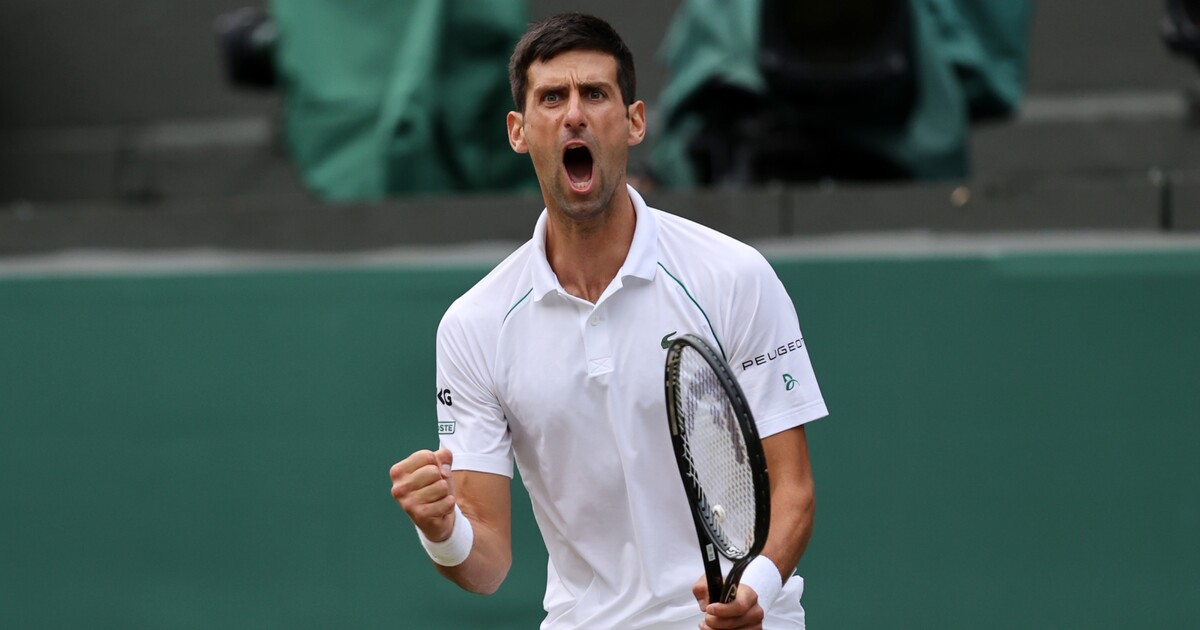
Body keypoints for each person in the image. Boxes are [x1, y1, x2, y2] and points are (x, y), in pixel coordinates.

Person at [389, 13, 828, 630]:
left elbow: (794, 491)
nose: (574, 114)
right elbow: (485, 563)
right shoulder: (473, 325)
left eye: (595, 93)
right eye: (551, 98)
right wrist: (442, 530)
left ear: (634, 122)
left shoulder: (734, 276)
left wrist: (752, 587)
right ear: (518, 131)